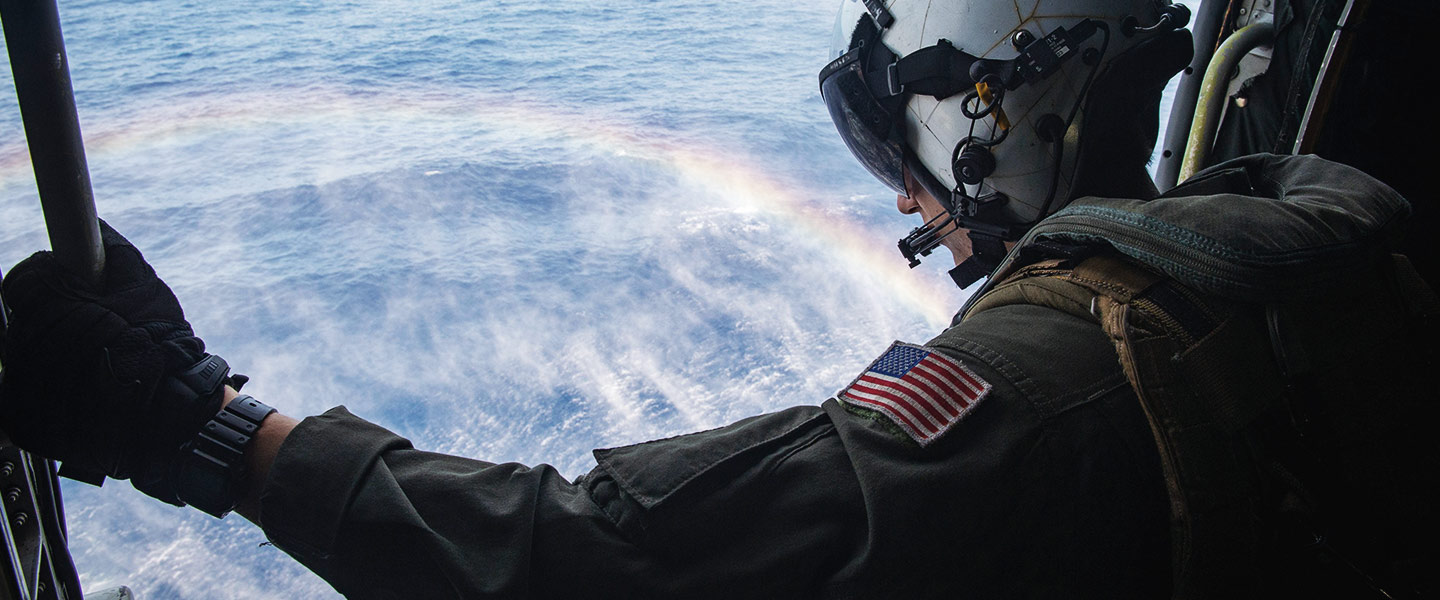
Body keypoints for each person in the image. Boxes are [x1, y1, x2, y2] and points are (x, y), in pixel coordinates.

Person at [1, 0, 1429, 597]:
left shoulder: (1043, 390)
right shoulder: (1271, 245)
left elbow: (602, 565)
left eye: (905, 160)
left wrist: (211, 430)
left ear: (996, 131)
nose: (902, 203)